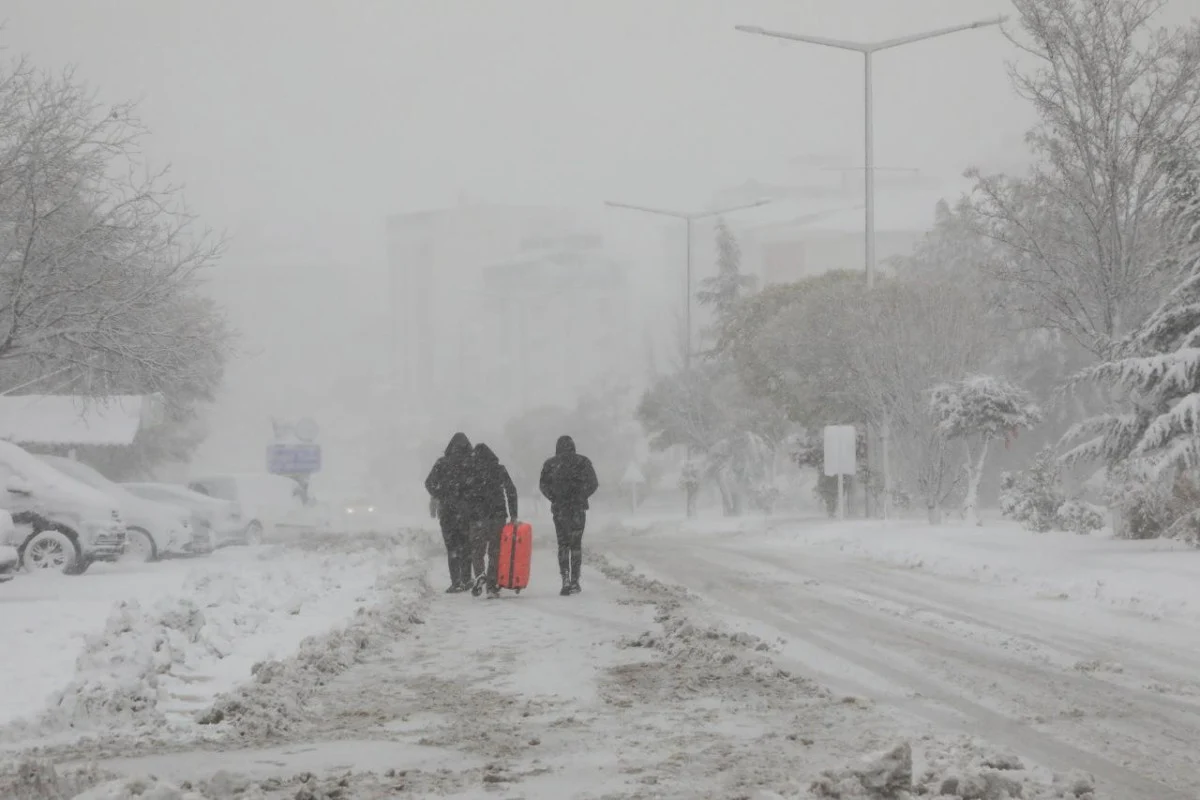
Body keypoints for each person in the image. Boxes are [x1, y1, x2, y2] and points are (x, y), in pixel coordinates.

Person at [539, 435, 598, 596]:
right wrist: (582, 495)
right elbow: (594, 483)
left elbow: (543, 485)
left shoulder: (550, 464)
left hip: (560, 510)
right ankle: (575, 581)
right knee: (576, 545)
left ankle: (564, 577)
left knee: (563, 544)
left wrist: (554, 497)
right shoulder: (583, 462)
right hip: (578, 509)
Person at [465, 442, 518, 599]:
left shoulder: (471, 471)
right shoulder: (499, 469)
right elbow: (511, 490)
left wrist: (468, 513)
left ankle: (480, 574)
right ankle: (492, 586)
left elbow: (464, 494)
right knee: (495, 551)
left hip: (477, 517)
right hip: (497, 515)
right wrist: (514, 513)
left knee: (477, 550)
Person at [424, 432, 474, 593]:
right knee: (467, 546)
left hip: (447, 512)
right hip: (467, 511)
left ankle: (456, 582)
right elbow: (480, 485)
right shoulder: (471, 462)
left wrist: (442, 494)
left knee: (452, 547)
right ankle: (467, 579)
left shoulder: (442, 463)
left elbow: (429, 483)